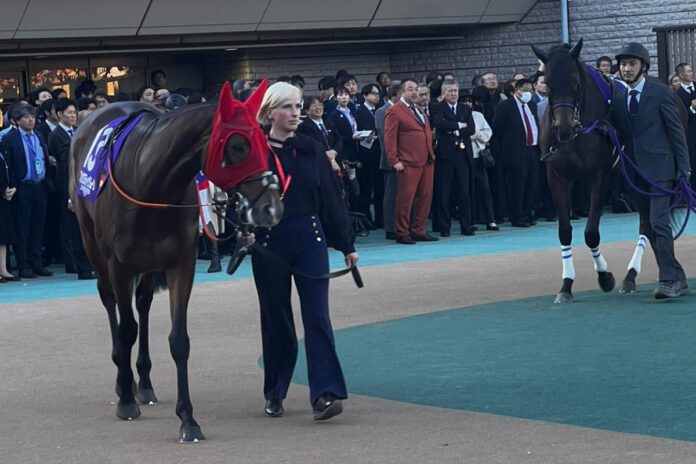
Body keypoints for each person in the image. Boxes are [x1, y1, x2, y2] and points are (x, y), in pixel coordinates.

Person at [253, 81, 358, 420]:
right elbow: (240, 198)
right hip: (268, 244)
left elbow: (330, 197)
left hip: (309, 238)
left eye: (298, 106)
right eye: (288, 107)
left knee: (317, 317)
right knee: (276, 321)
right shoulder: (254, 151)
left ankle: (325, 394)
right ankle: (275, 391)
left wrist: (346, 244)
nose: (296, 112)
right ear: (270, 112)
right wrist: (243, 232)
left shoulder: (312, 148)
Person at [610, 42, 691, 299]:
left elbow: (677, 132)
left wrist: (684, 168)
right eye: (623, 64)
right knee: (648, 225)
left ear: (643, 66)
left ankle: (667, 279)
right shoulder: (620, 97)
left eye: (632, 64)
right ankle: (676, 275)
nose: (626, 69)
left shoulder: (661, 93)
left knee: (659, 222)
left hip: (661, 169)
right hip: (634, 173)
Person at [0, 104, 52, 278]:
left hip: (40, 185)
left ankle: (37, 263)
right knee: (23, 227)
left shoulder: (39, 135)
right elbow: (9, 165)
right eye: (26, 117)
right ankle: (23, 265)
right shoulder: (10, 139)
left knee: (39, 227)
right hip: (22, 187)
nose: (31, 119)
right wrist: (11, 185)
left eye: (33, 116)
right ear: (16, 120)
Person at [384, 78, 437, 244]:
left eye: (416, 89)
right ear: (402, 92)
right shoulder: (395, 111)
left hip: (426, 160)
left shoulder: (419, 109)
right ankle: (402, 231)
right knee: (405, 198)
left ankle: (419, 230)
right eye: (410, 89)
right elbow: (389, 138)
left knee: (425, 197)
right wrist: (394, 160)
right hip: (407, 162)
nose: (414, 92)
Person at [48, 98, 94, 280]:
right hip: (68, 190)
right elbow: (63, 170)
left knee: (84, 229)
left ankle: (86, 265)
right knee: (71, 231)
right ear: (59, 115)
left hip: (84, 188)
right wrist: (69, 195)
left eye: (74, 112)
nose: (72, 116)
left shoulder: (78, 133)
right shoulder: (57, 136)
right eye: (69, 112)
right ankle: (75, 265)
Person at [492, 78, 540, 227]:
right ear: (517, 90)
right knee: (516, 185)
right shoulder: (506, 106)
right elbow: (497, 130)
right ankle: (516, 215)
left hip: (532, 149)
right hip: (515, 152)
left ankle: (527, 212)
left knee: (532, 183)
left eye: (530, 90)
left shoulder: (532, 105)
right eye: (525, 90)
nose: (528, 93)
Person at [431, 79, 476, 236]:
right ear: (443, 93)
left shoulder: (465, 108)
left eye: (455, 91)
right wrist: (458, 125)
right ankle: (444, 227)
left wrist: (454, 130)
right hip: (445, 155)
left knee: (464, 191)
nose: (453, 94)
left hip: (463, 155)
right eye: (449, 91)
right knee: (444, 192)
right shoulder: (437, 107)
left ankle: (466, 225)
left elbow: (471, 128)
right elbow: (439, 124)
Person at [674, 62, 696, 190]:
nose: (691, 73)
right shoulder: (678, 95)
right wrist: (692, 108)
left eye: (691, 70)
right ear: (681, 75)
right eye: (688, 71)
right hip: (691, 134)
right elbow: (679, 116)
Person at [326, 86, 360, 162]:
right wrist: (352, 138)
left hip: (355, 149)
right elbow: (336, 137)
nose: (344, 97)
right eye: (340, 95)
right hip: (344, 152)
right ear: (335, 98)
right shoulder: (333, 116)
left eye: (346, 94)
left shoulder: (351, 111)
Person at [0, 149, 19, 282]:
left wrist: (13, 187)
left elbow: (8, 171)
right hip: (1, 195)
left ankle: (3, 269)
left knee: (3, 236)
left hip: (4, 199)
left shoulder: (2, 152)